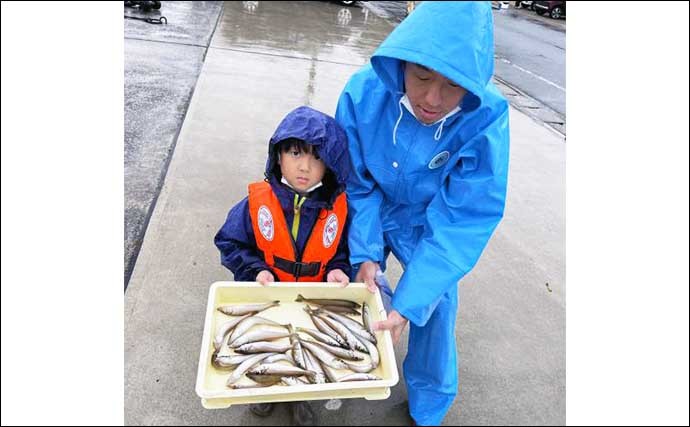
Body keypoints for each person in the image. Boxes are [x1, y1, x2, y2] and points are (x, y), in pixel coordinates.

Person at [335, 2, 510, 425]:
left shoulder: (486, 117)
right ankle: (338, 367)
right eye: (422, 76)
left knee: (434, 305)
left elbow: (464, 217)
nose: (432, 99)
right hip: (372, 205)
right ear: (401, 64)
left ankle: (428, 408)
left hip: (429, 219)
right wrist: (366, 253)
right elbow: (357, 182)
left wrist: (410, 303)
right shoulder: (363, 92)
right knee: (351, 284)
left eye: (452, 86)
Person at [214, 105, 351, 426]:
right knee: (266, 349)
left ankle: (299, 396)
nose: (305, 165)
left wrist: (338, 268)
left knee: (305, 349)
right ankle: (266, 391)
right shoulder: (255, 202)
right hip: (268, 298)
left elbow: (342, 251)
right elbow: (229, 242)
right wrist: (254, 270)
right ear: (278, 156)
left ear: (329, 165)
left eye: (317, 157)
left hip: (311, 301)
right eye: (294, 152)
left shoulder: (339, 208)